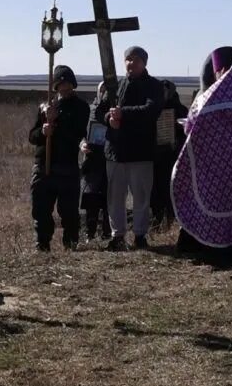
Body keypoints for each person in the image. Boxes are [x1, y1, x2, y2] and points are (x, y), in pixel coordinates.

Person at [172, 47, 232, 258]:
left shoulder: (211, 94)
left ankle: (211, 246)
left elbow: (192, 123)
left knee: (212, 199)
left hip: (213, 163)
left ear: (220, 69)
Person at [94, 46, 166, 251]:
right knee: (115, 197)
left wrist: (122, 114)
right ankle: (117, 236)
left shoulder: (154, 85)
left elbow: (151, 110)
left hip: (140, 151)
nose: (130, 63)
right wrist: (110, 119)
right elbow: (100, 110)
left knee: (141, 196)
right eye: (127, 59)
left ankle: (140, 235)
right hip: (115, 151)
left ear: (144, 63)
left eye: (135, 60)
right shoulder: (114, 85)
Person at [27, 65, 90, 251]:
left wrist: (56, 122)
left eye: (68, 84)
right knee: (41, 208)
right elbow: (33, 136)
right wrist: (44, 130)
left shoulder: (81, 107)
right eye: (61, 85)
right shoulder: (46, 107)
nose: (64, 88)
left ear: (73, 85)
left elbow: (76, 134)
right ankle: (42, 243)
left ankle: (70, 244)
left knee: (69, 211)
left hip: (67, 167)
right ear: (55, 87)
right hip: (43, 165)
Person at [150, 79, 188, 230]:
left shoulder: (180, 109)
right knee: (155, 190)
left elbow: (186, 130)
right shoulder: (153, 107)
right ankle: (157, 220)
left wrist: (175, 128)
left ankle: (171, 220)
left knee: (169, 189)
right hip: (154, 155)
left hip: (172, 156)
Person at [79, 81, 111, 242]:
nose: (104, 93)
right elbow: (81, 134)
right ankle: (89, 233)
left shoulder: (115, 112)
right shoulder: (89, 110)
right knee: (90, 197)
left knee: (108, 197)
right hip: (91, 160)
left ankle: (107, 232)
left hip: (109, 160)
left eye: (107, 91)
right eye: (102, 90)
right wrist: (82, 144)